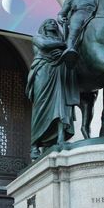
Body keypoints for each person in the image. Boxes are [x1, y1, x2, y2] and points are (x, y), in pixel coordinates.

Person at [25, 19, 79, 160]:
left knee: (61, 105)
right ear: (44, 26)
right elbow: (44, 45)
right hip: (43, 71)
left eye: (55, 23)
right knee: (41, 107)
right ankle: (34, 145)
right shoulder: (38, 37)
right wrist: (64, 44)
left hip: (59, 71)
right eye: (49, 22)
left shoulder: (62, 39)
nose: (53, 24)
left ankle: (61, 138)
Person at [57, 0, 97, 68]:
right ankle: (70, 48)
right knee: (75, 25)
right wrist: (60, 17)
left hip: (94, 15)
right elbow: (62, 13)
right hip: (80, 14)